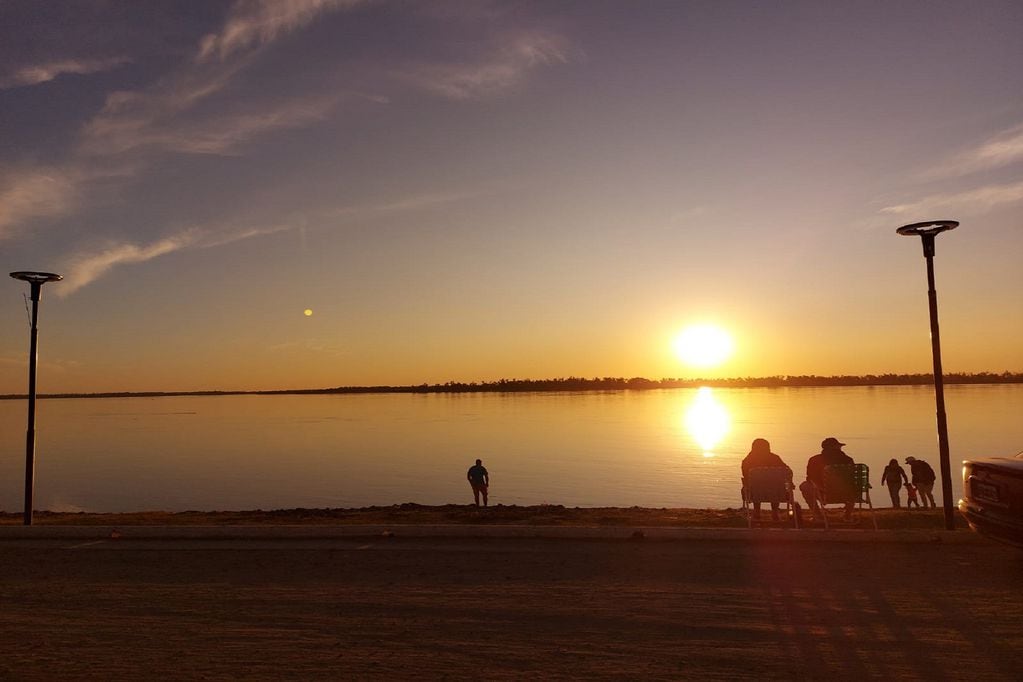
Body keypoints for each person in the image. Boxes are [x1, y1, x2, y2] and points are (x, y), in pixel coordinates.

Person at [799, 437, 855, 521]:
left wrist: (820, 487)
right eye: (839, 446)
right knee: (852, 485)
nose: (840, 448)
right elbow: (853, 479)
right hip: (847, 494)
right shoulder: (848, 460)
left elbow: (809, 479)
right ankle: (847, 515)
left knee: (804, 486)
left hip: (824, 494)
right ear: (836, 447)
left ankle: (818, 515)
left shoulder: (814, 460)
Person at [740, 438, 792, 521]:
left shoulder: (747, 461)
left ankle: (757, 512)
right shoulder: (775, 458)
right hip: (777, 493)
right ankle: (775, 512)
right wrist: (790, 483)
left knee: (755, 486)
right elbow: (788, 472)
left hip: (754, 493)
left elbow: (746, 477)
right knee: (775, 486)